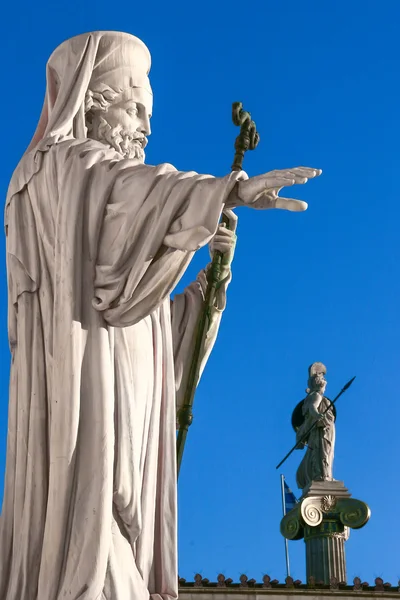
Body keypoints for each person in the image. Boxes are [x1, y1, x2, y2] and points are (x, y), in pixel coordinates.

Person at [0, 31, 321, 600]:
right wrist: (224, 192)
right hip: (81, 454)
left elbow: (146, 327)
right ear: (93, 103)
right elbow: (123, 190)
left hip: (126, 459)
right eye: (136, 107)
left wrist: (204, 289)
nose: (147, 126)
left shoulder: (117, 228)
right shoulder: (54, 172)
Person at [296, 363, 335, 490]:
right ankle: (323, 475)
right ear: (320, 385)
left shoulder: (314, 396)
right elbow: (313, 407)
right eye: (324, 383)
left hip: (322, 429)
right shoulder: (317, 395)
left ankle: (324, 474)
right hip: (321, 430)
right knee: (323, 452)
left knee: (324, 452)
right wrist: (318, 415)